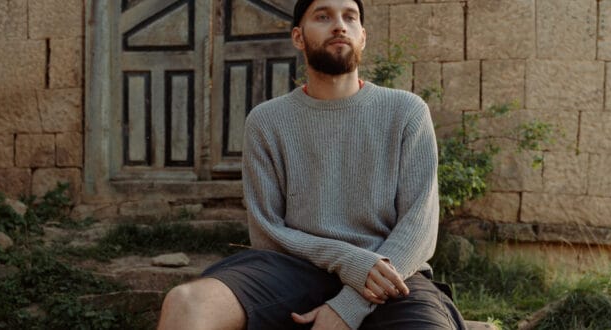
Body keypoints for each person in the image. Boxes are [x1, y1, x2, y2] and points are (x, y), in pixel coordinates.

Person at [157, 0, 466, 328]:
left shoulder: (405, 112)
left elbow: (419, 227)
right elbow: (267, 230)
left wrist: (350, 302)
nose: (339, 25)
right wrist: (346, 259)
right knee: (187, 304)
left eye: (350, 17)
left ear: (362, 36)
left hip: (391, 272)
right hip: (292, 269)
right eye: (323, 16)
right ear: (298, 37)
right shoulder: (267, 121)